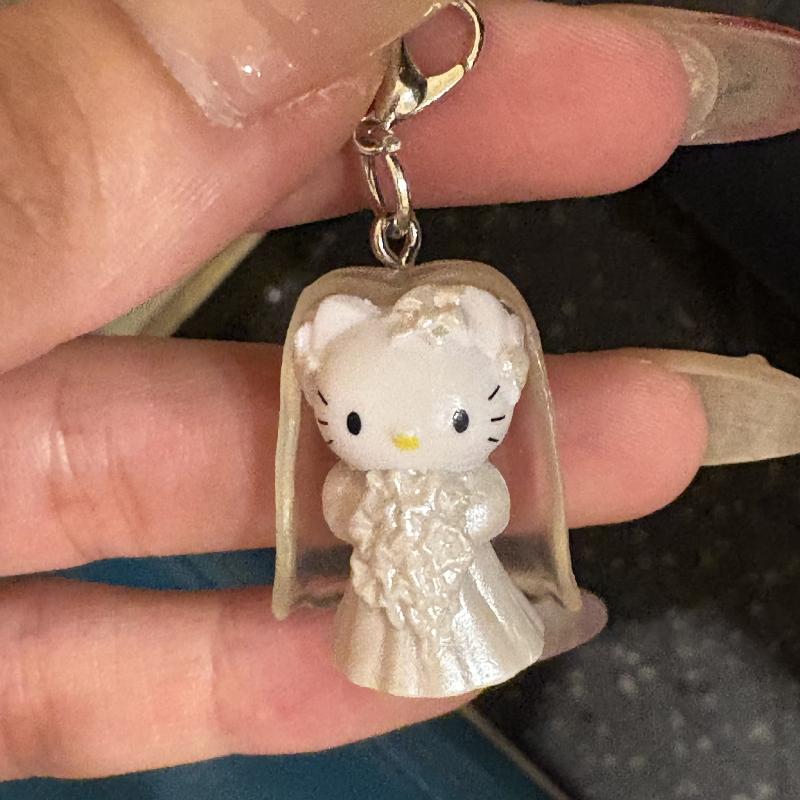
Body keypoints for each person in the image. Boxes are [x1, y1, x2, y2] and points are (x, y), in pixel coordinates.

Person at [0, 0, 793, 781]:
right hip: (381, 586)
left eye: (456, 419)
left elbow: (490, 505)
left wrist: (448, 517)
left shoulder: (463, 469)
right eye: (355, 420)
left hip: (461, 578)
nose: (409, 439)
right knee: (383, 633)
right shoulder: (359, 462)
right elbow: (340, 506)